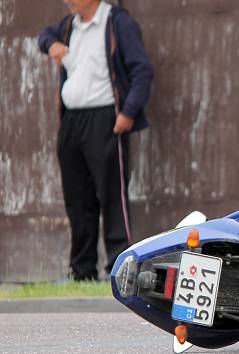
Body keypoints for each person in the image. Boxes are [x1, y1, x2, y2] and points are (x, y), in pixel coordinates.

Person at [38, 0, 153, 280]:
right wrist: (50, 45)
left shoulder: (117, 22)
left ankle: (119, 268)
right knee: (77, 199)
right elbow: (44, 36)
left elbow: (142, 71)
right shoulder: (68, 25)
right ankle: (82, 271)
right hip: (72, 121)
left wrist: (128, 113)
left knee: (112, 196)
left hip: (106, 119)